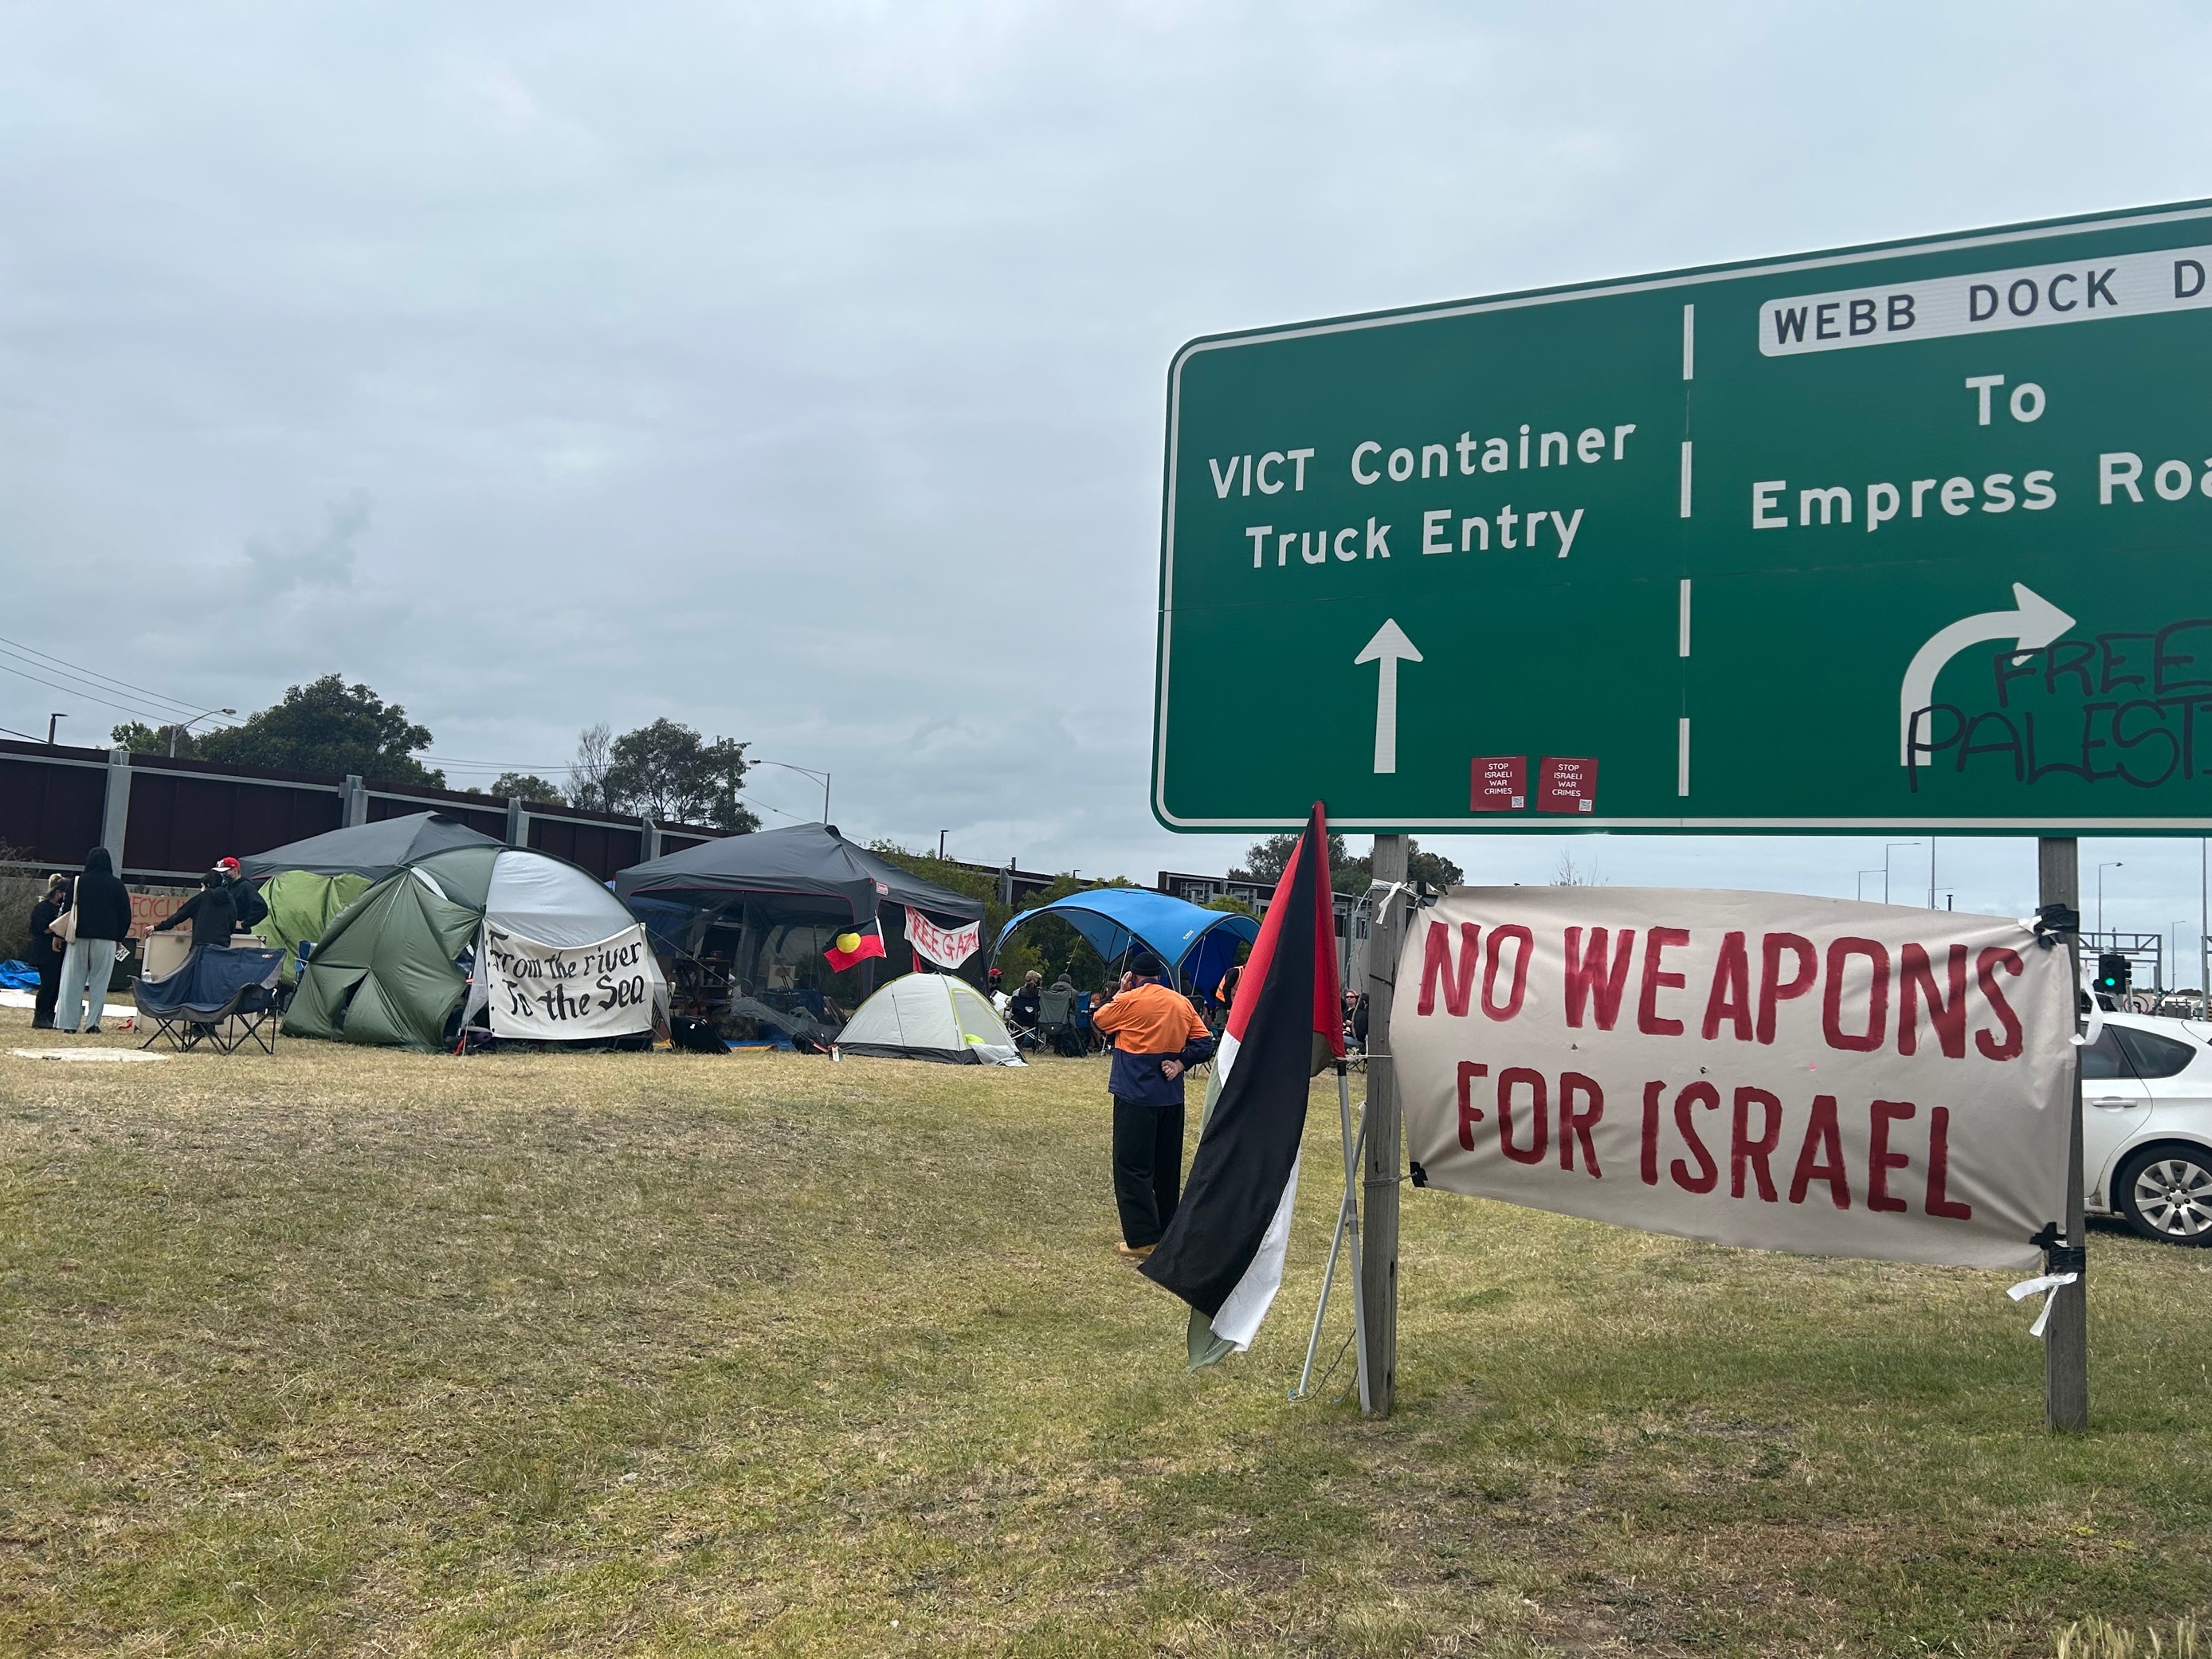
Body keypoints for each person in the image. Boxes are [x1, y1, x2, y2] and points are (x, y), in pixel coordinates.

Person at [1090, 952, 1214, 1261]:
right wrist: (1181, 1062)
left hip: (1135, 1094)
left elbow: (1099, 1019)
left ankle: (1143, 1237)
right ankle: (1168, 1230)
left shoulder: (1129, 1000)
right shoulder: (1181, 1003)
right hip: (1171, 1096)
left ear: (1132, 977)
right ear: (1159, 976)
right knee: (1166, 1165)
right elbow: (1204, 1043)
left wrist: (1120, 991)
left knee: (1132, 1165)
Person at [55, 846, 131, 1035]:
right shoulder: (116, 885)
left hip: (78, 937)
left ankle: (69, 1024)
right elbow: (125, 915)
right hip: (106, 939)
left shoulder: (77, 882)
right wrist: (118, 937)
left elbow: (66, 910)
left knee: (73, 981)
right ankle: (92, 1024)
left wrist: (58, 935)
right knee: (100, 982)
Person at [155, 869, 240, 954]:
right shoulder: (230, 900)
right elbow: (232, 924)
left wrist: (159, 927)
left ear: (208, 885)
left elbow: (180, 915)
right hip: (222, 946)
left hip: (201, 946)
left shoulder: (202, 898)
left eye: (202, 886)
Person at [25, 873, 69, 1030]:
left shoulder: (61, 910)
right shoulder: (42, 908)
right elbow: (41, 929)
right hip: (44, 952)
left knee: (56, 985)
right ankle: (40, 1015)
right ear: (58, 893)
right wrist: (58, 926)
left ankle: (50, 1012)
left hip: (58, 954)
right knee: (48, 984)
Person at [215, 857, 269, 935]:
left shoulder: (246, 887)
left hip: (238, 934)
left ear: (235, 870)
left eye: (226, 872)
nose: (224, 875)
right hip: (226, 932)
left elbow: (261, 907)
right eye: (222, 873)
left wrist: (244, 924)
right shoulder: (227, 888)